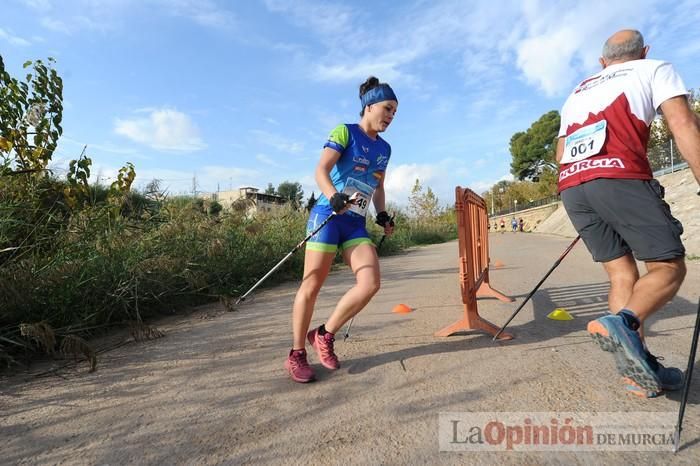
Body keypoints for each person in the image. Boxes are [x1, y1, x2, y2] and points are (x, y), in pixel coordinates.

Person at [556, 29, 700, 397]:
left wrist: (586, 194)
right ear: (644, 51)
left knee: (621, 274)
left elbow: (560, 151)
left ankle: (638, 369)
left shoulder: (578, 90)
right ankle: (623, 322)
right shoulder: (654, 68)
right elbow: (682, 124)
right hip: (620, 177)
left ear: (602, 62)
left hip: (573, 185)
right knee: (668, 267)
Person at [285, 76, 398, 383]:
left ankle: (323, 333)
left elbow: (377, 187)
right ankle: (296, 353)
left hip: (355, 223)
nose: (390, 116)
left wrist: (383, 215)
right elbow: (321, 170)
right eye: (387, 108)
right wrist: (333, 195)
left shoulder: (385, 149)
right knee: (311, 285)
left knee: (370, 282)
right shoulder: (345, 131)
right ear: (369, 106)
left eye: (394, 112)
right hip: (328, 215)